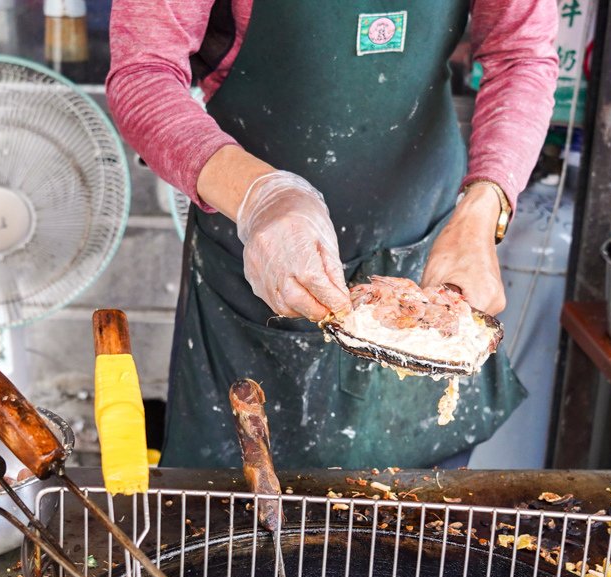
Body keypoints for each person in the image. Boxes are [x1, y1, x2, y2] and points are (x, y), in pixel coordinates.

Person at [107, 1, 559, 469]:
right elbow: (144, 73)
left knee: (414, 529)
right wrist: (261, 196)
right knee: (236, 521)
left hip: (422, 250)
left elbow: (521, 54)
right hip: (256, 262)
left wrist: (484, 207)